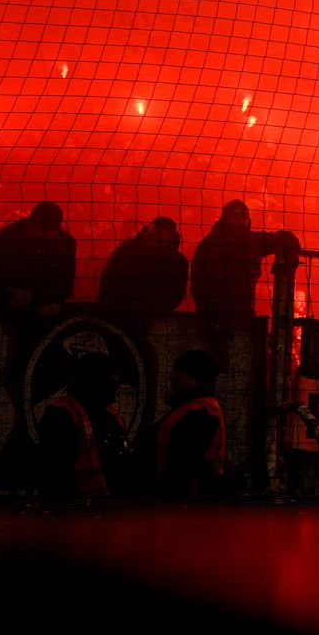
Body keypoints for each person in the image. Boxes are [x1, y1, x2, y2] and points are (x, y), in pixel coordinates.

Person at [190, 200, 298, 345]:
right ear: (225, 218)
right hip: (222, 318)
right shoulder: (246, 242)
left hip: (222, 318)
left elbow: (287, 240)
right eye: (235, 217)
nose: (240, 221)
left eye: (243, 217)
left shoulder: (212, 244)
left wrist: (289, 256)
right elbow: (198, 285)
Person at [0, 201, 75, 351]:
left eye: (50, 232)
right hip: (6, 313)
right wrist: (9, 295)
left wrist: (39, 297)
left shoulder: (65, 243)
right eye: (41, 230)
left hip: (43, 317)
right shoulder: (9, 236)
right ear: (32, 222)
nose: (45, 236)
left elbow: (65, 284)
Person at [39, 355, 128, 497]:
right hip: (75, 506)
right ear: (95, 379)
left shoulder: (111, 414)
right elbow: (56, 471)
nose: (117, 381)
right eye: (112, 376)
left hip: (112, 502)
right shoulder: (60, 414)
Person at [147, 348, 226, 497]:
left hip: (180, 503)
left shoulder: (202, 412)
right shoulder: (192, 408)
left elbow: (183, 463)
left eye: (178, 373)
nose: (171, 377)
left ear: (195, 378)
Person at [98, 217, 189, 331]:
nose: (156, 236)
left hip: (151, 322)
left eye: (162, 234)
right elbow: (108, 281)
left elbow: (174, 294)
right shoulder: (127, 249)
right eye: (155, 232)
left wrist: (148, 308)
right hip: (116, 313)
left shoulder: (177, 262)